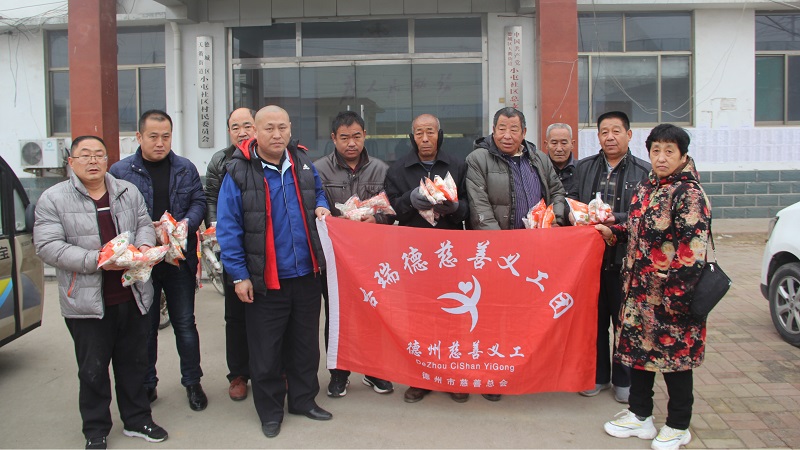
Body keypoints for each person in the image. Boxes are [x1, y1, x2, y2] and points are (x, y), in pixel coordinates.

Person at [34, 136, 168, 449]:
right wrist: (97, 260)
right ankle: (95, 428)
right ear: (71, 162)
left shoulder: (127, 190)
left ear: (108, 160)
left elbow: (143, 223)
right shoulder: (53, 198)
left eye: (99, 154)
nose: (93, 161)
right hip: (86, 301)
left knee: (134, 364)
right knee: (93, 369)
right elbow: (48, 246)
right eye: (85, 155)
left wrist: (144, 245)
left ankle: (137, 419)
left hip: (131, 294)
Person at [216, 105, 332, 439]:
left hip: (306, 273)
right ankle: (269, 411)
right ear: (255, 131)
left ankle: (303, 400)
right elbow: (228, 227)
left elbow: (318, 192)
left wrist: (322, 205)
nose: (277, 134)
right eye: (269, 128)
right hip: (266, 279)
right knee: (265, 350)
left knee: (305, 346)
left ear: (290, 128)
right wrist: (239, 276)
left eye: (282, 127)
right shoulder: (239, 171)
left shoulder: (303, 162)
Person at [597, 124, 709, 450]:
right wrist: (613, 231)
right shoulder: (647, 187)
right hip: (638, 292)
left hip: (673, 297)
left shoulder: (688, 194)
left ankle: (678, 424)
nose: (661, 158)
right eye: (656, 150)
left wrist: (675, 300)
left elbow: (692, 254)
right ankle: (640, 414)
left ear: (683, 155)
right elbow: (637, 230)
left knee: (675, 361)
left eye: (669, 151)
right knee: (639, 354)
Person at [109, 110, 208, 411]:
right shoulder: (120, 171)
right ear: (139, 137)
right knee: (146, 325)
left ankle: (192, 382)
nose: (160, 142)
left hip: (178, 259)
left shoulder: (185, 168)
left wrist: (186, 223)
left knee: (185, 323)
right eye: (153, 136)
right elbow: (113, 212)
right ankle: (147, 384)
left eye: (166, 136)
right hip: (142, 261)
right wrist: (140, 234)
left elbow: (199, 201)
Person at [384, 113, 471, 403]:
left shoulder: (457, 166)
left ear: (439, 134)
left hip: (450, 253)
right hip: (415, 256)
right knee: (418, 317)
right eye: (419, 133)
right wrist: (409, 200)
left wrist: (455, 208)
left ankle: (452, 374)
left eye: (430, 132)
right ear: (412, 137)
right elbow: (390, 209)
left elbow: (469, 208)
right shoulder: (397, 170)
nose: (425, 138)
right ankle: (420, 378)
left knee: (452, 315)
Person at [314, 111, 394, 398]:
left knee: (372, 312)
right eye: (344, 137)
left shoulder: (381, 169)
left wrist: (378, 219)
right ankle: (339, 373)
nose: (351, 143)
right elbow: (313, 209)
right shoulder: (319, 170)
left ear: (365, 136)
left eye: (356, 136)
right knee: (337, 314)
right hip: (335, 258)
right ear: (333, 138)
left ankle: (374, 370)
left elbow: (391, 209)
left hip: (371, 257)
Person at [573, 110, 650, 403]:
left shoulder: (643, 172)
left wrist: (614, 218)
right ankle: (597, 376)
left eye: (616, 131)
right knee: (593, 323)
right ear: (598, 136)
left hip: (625, 263)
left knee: (625, 323)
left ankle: (624, 380)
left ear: (628, 135)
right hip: (590, 262)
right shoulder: (583, 168)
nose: (610, 137)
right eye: (604, 132)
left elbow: (645, 215)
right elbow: (571, 203)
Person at [205, 107, 256, 401]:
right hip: (233, 248)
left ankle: (276, 369)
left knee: (271, 313)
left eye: (247, 125)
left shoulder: (268, 156)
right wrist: (215, 228)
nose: (242, 132)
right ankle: (238, 373)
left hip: (265, 248)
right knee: (235, 316)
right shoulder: (220, 161)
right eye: (235, 127)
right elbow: (211, 198)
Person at [466, 107, 568, 230]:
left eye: (514, 130)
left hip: (539, 236)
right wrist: (497, 238)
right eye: (502, 129)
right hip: (501, 238)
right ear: (494, 130)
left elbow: (556, 191)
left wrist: (555, 219)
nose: (507, 136)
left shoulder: (539, 158)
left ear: (524, 132)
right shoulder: (478, 159)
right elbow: (479, 205)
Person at [545, 123, 579, 197]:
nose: (559, 149)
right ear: (546, 145)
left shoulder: (581, 170)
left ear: (572, 144)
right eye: (554, 143)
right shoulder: (539, 170)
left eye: (564, 143)